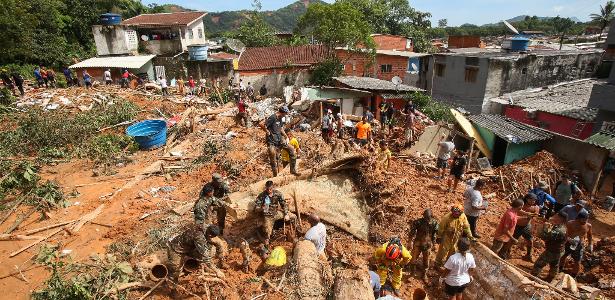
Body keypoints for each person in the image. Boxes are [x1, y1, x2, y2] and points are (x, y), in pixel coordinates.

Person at [531, 210, 568, 280]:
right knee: (554, 265)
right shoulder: (562, 227)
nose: (554, 216)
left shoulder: (559, 230)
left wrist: (544, 227)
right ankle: (551, 278)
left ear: (560, 218)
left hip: (552, 251)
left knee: (538, 264)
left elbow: (544, 236)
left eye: (556, 215)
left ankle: (533, 278)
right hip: (559, 250)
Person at [254, 181, 294, 245]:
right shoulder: (262, 196)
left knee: (293, 217)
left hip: (276, 212)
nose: (269, 191)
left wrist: (286, 213)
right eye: (267, 189)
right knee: (267, 232)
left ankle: (294, 233)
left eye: (271, 189)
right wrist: (262, 208)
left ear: (273, 187)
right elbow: (256, 208)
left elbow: (284, 204)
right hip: (267, 215)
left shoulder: (278, 194)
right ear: (265, 188)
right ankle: (266, 246)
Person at [261, 106, 298, 176]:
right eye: (285, 114)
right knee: (273, 158)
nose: (285, 115)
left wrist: (286, 136)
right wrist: (267, 131)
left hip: (279, 138)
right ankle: (275, 176)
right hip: (271, 141)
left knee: (292, 149)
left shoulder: (280, 118)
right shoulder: (272, 117)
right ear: (282, 112)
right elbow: (262, 124)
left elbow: (281, 128)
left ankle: (293, 170)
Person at [408, 209, 439, 282]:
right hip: (417, 243)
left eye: (428, 218)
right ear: (423, 216)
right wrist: (409, 242)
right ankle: (412, 274)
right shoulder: (418, 222)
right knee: (413, 259)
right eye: (425, 217)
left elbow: (435, 234)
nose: (427, 219)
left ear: (431, 216)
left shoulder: (434, 223)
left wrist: (434, 244)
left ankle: (424, 274)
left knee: (426, 261)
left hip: (428, 244)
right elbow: (412, 232)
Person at [560, 210, 593, 277]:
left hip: (579, 245)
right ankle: (559, 270)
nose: (585, 221)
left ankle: (573, 276)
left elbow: (590, 235)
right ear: (578, 218)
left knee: (577, 261)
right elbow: (564, 233)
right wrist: (568, 239)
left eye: (586, 219)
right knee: (563, 256)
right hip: (568, 243)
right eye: (583, 219)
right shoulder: (570, 223)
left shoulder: (588, 226)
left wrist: (590, 244)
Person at [512, 193, 541, 261]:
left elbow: (535, 216)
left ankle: (528, 255)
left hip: (527, 225)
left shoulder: (535, 207)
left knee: (530, 241)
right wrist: (526, 214)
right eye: (531, 200)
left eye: (534, 200)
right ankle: (506, 252)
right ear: (527, 199)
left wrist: (535, 216)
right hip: (517, 225)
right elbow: (516, 209)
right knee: (513, 240)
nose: (533, 202)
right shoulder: (521, 205)